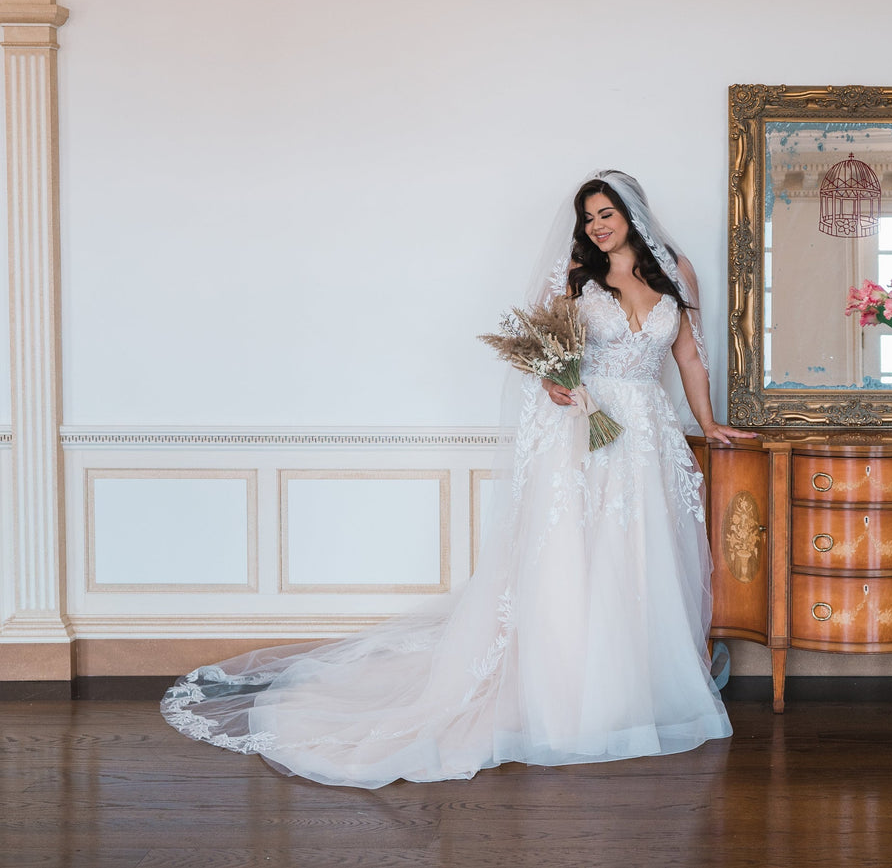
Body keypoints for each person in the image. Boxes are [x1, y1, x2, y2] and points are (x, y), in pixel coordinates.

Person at [161, 170, 752, 788]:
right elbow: (553, 354)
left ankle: (639, 690)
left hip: (646, 435)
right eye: (590, 218)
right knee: (575, 555)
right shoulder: (578, 277)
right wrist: (556, 381)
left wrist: (709, 425)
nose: (598, 227)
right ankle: (571, 694)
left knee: (639, 556)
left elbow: (689, 355)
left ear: (632, 212)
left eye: (607, 214)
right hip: (584, 428)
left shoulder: (676, 272)